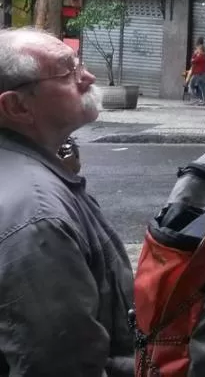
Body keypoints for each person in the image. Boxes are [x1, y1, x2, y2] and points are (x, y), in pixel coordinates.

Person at [0, 27, 134, 376]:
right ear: (16, 106)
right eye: (67, 72)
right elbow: (61, 363)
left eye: (80, 64)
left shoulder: (35, 171)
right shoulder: (37, 217)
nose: (88, 77)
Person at [188, 37, 205, 106]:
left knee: (192, 85)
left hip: (199, 73)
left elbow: (193, 61)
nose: (197, 50)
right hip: (201, 73)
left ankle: (199, 99)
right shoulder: (204, 55)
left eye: (198, 49)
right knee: (202, 86)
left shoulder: (201, 56)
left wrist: (195, 54)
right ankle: (203, 100)